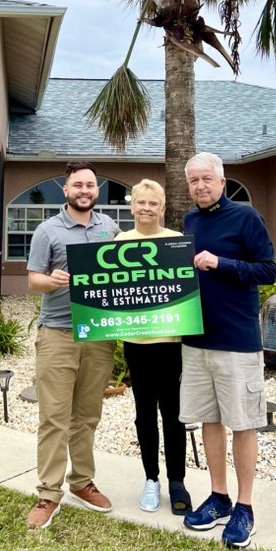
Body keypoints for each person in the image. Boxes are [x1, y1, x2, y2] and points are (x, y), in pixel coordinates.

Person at [179, 152, 276, 548]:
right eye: (193, 181)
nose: (200, 186)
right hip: (197, 340)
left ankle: (245, 506)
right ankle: (218, 496)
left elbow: (267, 271)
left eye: (206, 179)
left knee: (243, 423)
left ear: (221, 180)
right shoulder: (190, 222)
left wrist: (221, 263)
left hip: (236, 340)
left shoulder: (246, 218)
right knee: (210, 420)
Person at [26, 161, 120, 529]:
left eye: (90, 185)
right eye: (77, 185)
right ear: (65, 191)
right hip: (58, 335)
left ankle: (82, 482)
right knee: (53, 417)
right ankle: (49, 494)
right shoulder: (47, 231)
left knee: (87, 415)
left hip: (98, 334)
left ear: (97, 191)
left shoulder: (110, 228)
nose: (84, 190)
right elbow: (33, 280)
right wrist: (51, 281)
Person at [116, 179, 192, 516]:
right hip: (136, 345)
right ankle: (151, 479)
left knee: (173, 416)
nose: (146, 208)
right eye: (141, 203)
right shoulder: (120, 242)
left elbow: (187, 292)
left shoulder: (176, 243)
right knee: (144, 415)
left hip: (171, 346)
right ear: (132, 206)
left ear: (162, 209)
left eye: (153, 204)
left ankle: (177, 481)